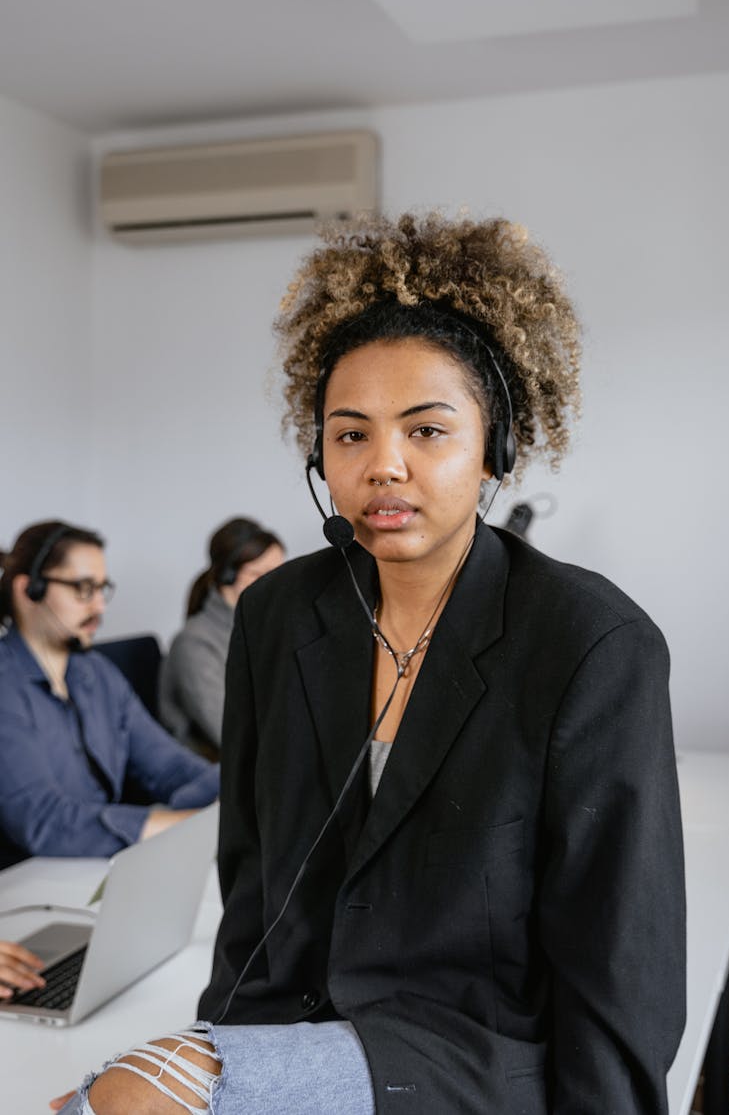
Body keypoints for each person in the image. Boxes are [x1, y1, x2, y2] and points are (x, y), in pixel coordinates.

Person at [54, 213, 685, 1115]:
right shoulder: (278, 612)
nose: (383, 465)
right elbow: (252, 890)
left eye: (427, 431)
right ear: (320, 453)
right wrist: (228, 1062)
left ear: (496, 448)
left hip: (473, 1056)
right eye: (350, 435)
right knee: (102, 1097)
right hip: (296, 1026)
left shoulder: (592, 641)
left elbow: (619, 965)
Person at [0, 521, 219, 868]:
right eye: (84, 589)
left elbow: (167, 766)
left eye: (103, 589)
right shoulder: (6, 685)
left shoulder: (97, 674)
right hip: (23, 881)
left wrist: (237, 794)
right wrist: (181, 827)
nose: (100, 606)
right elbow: (42, 821)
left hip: (95, 867)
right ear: (29, 590)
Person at [159, 518, 284, 755]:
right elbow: (233, 735)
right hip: (214, 772)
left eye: (280, 575)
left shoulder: (266, 630)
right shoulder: (194, 644)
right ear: (228, 576)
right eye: (261, 575)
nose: (276, 586)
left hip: (265, 763)